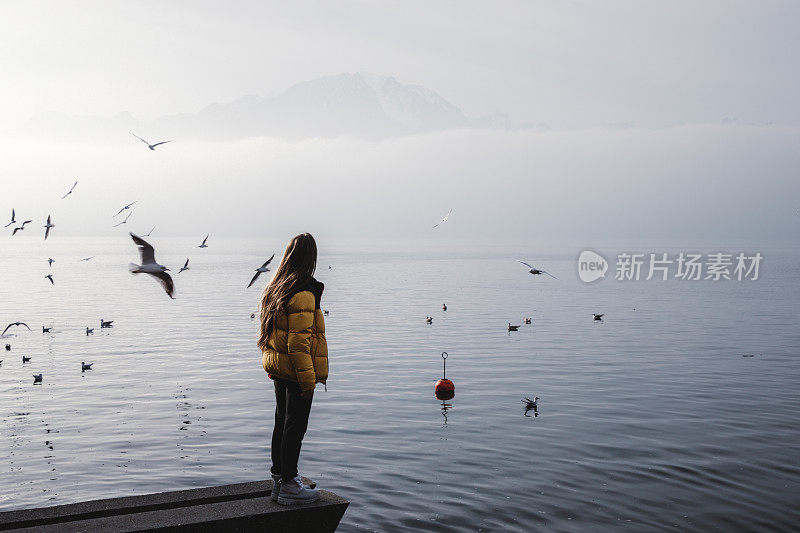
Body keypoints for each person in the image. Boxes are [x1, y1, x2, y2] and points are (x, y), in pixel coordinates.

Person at [257, 233, 328, 505]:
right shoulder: (303, 293)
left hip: (279, 368)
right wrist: (308, 381)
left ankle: (279, 480)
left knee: (282, 423)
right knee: (295, 427)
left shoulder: (277, 288)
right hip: (296, 370)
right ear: (310, 258)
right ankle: (289, 484)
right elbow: (299, 343)